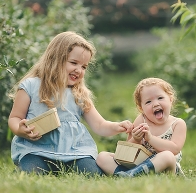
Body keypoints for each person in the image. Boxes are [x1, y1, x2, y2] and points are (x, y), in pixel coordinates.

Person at [8, 31, 132, 175]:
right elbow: (15, 118)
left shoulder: (79, 94)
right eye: (73, 63)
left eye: (84, 67)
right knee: (32, 173)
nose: (79, 70)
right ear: (55, 59)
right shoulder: (30, 86)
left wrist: (117, 126)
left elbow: (99, 125)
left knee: (93, 174)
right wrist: (20, 130)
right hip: (36, 150)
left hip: (75, 152)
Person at [97, 77, 186, 177]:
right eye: (148, 102)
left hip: (165, 168)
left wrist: (150, 138)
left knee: (168, 156)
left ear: (170, 99)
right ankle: (128, 175)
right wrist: (135, 139)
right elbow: (126, 152)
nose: (155, 104)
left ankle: (129, 175)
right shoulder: (141, 120)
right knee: (102, 156)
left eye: (160, 98)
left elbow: (174, 149)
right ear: (141, 108)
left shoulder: (177, 124)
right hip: (139, 164)